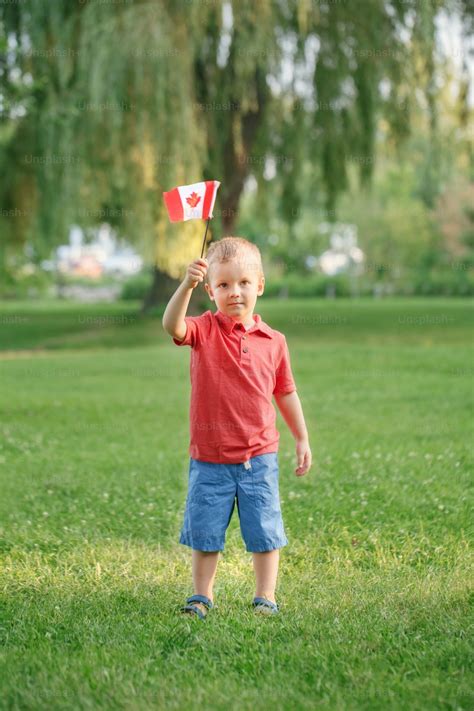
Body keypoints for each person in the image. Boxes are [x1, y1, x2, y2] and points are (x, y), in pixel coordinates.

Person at [162, 236, 312, 618]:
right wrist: (186, 285)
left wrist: (301, 437)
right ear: (210, 290)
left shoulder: (274, 341)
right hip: (210, 458)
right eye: (224, 285)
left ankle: (266, 596)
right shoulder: (204, 331)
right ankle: (201, 595)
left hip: (258, 457)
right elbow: (171, 325)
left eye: (244, 283)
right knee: (206, 533)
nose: (235, 292)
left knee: (265, 532)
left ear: (260, 285)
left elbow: (286, 392)